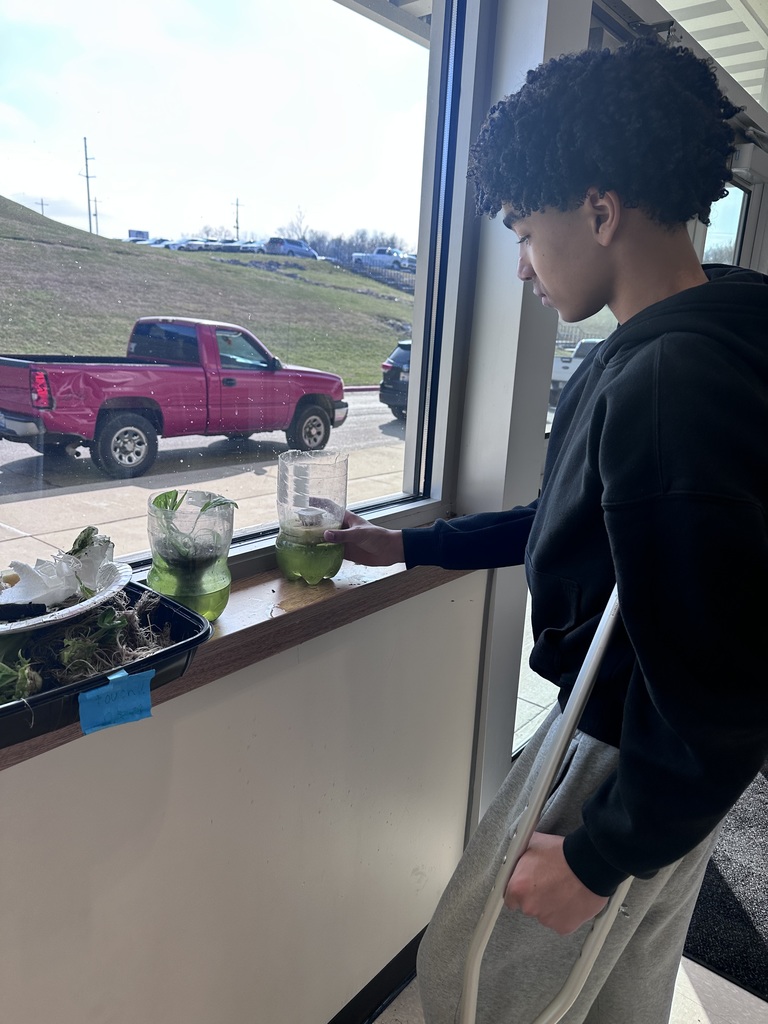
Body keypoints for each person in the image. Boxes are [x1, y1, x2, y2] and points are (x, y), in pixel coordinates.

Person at [324, 37, 768, 1024]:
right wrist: (409, 544)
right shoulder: (716, 324)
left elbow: (726, 690)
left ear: (601, 212)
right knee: (621, 983)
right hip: (659, 762)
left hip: (625, 748)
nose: (522, 266)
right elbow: (578, 525)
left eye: (526, 232)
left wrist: (599, 854)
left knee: (470, 976)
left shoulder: (669, 384)